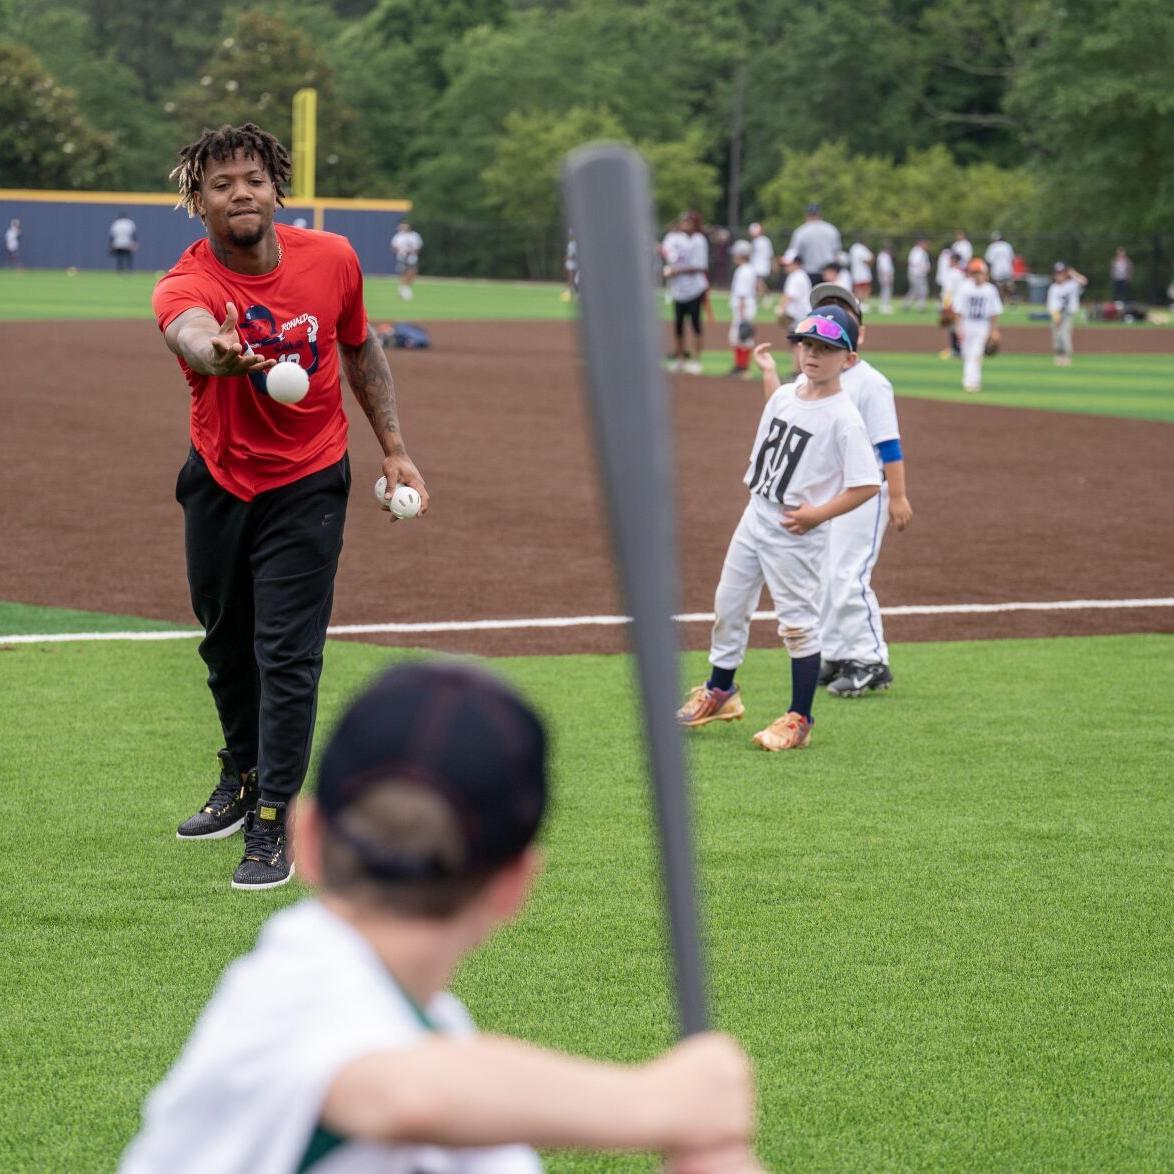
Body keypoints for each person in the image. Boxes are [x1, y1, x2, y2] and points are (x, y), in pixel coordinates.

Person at [121, 661, 764, 1173]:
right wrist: (654, 1104)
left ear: (307, 836)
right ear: (512, 887)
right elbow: (405, 1095)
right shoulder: (297, 990)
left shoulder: (441, 1052)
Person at [153, 122, 429, 890]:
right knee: (224, 643)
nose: (239, 193)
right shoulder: (186, 282)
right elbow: (191, 333)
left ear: (276, 188)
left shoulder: (332, 258)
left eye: (252, 179)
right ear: (198, 203)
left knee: (287, 653)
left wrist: (394, 446)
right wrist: (220, 354)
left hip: (308, 479)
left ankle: (275, 813)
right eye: (220, 184)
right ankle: (242, 774)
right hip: (220, 476)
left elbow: (359, 344)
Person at [675, 306, 881, 751]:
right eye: (807, 345)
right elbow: (782, 409)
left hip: (794, 528)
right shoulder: (789, 393)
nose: (813, 354)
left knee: (797, 625)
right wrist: (768, 371)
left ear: (847, 359)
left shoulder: (844, 417)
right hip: (756, 513)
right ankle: (721, 690)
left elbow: (867, 484)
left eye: (826, 349)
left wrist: (817, 515)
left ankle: (800, 718)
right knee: (728, 603)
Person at [801, 285, 913, 697]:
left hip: (864, 496)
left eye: (841, 314)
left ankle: (870, 660)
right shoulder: (813, 380)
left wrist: (897, 496)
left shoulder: (871, 384)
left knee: (848, 576)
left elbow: (889, 444)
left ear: (858, 333)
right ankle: (835, 652)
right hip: (830, 496)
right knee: (826, 577)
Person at [664, 210, 710, 375]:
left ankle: (696, 360)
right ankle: (680, 359)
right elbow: (671, 255)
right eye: (683, 222)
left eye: (688, 222)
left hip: (695, 289)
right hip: (679, 290)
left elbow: (701, 266)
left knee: (696, 325)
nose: (684, 225)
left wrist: (678, 271)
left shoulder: (699, 240)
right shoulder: (678, 239)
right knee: (678, 326)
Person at [954, 257, 1003, 393]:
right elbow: (958, 310)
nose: (976, 276)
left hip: (982, 325)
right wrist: (958, 328)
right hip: (967, 324)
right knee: (967, 354)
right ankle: (971, 380)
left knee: (976, 354)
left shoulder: (990, 290)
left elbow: (994, 312)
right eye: (974, 273)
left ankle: (971, 382)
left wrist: (994, 330)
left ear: (985, 274)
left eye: (979, 273)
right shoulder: (964, 287)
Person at [782, 203, 842, 287]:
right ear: (820, 214)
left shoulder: (801, 231)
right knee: (828, 298)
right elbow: (836, 253)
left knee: (811, 298)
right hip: (829, 272)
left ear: (807, 215)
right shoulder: (831, 229)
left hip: (809, 272)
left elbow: (793, 253)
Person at [775, 252, 812, 374]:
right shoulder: (800, 275)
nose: (786, 266)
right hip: (802, 316)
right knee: (797, 344)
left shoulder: (796, 277)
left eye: (788, 264)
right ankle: (798, 370)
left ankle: (797, 371)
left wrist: (780, 309)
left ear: (796, 263)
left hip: (799, 318)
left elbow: (789, 296)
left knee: (797, 344)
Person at [1046, 261, 1088, 366]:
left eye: (1061, 273)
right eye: (1057, 273)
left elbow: (1084, 282)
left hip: (1068, 313)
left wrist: (1073, 273)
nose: (1059, 276)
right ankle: (1058, 356)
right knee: (1057, 336)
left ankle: (1066, 357)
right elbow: (1052, 304)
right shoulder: (1053, 288)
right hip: (1057, 313)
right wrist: (1056, 316)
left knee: (1065, 335)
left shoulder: (1072, 285)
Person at [727, 238, 757, 376]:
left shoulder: (743, 271)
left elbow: (742, 294)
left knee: (741, 337)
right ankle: (740, 366)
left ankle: (742, 367)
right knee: (741, 338)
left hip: (743, 308)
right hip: (746, 307)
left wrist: (742, 314)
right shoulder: (748, 269)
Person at [937, 251, 965, 360]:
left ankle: (956, 350)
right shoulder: (961, 273)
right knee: (958, 327)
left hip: (952, 303)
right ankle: (959, 349)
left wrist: (946, 306)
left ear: (954, 261)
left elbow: (948, 291)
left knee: (953, 328)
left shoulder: (952, 273)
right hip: (960, 303)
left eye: (950, 259)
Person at [390, 220, 423, 300]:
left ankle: (404, 287)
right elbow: (393, 246)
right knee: (403, 273)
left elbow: (418, 246)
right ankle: (405, 290)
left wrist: (413, 252)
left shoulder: (415, 235)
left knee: (412, 273)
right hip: (402, 257)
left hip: (412, 257)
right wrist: (401, 251)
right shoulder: (399, 236)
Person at [748, 221, 774, 303]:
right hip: (757, 265)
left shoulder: (762, 241)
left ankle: (761, 298)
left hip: (760, 265)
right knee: (758, 283)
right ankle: (765, 297)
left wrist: (772, 264)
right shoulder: (759, 241)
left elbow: (770, 255)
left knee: (759, 283)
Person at [983, 232, 1015, 301]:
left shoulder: (992, 247)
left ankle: (1002, 300)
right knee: (1009, 284)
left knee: (999, 286)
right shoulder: (1007, 246)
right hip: (1007, 269)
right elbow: (1012, 259)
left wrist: (988, 272)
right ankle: (1011, 299)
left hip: (997, 270)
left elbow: (988, 260)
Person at [903, 238, 930, 310]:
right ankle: (917, 305)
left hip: (921, 274)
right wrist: (923, 267)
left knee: (920, 290)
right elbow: (913, 262)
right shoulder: (916, 251)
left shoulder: (923, 252)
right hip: (916, 274)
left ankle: (910, 305)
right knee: (919, 290)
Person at [848, 235, 873, 309]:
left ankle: (858, 303)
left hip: (855, 273)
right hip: (863, 273)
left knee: (857, 289)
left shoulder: (853, 248)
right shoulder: (861, 249)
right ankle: (863, 304)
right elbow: (869, 259)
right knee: (864, 289)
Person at [876, 243, 895, 314]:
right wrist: (886, 276)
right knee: (885, 291)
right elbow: (884, 268)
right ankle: (884, 306)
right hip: (885, 275)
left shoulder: (884, 256)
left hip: (886, 275)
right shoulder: (883, 256)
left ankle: (885, 305)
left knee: (886, 290)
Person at [561, 229, 578, 302]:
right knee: (571, 279)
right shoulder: (570, 243)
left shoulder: (574, 244)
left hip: (574, 264)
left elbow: (572, 255)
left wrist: (568, 257)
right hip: (570, 263)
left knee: (573, 279)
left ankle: (571, 293)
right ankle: (570, 292)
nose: (570, 236)